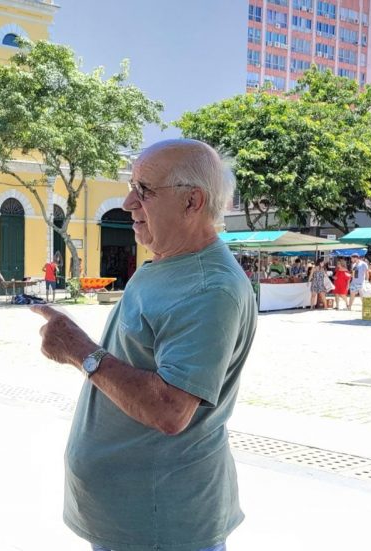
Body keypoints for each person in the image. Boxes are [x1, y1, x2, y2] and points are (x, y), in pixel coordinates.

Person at [32, 139, 257, 551]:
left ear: (193, 201)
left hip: (164, 526)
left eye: (145, 190)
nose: (128, 201)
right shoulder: (166, 262)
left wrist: (80, 350)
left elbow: (170, 410)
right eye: (133, 185)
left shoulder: (210, 289)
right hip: (135, 520)